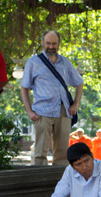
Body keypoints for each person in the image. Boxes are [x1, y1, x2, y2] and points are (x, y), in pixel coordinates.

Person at [20, 30, 83, 166]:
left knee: (62, 153)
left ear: (59, 44)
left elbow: (79, 82)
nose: (51, 46)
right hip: (42, 111)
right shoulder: (34, 62)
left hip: (63, 110)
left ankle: (59, 183)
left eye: (54, 43)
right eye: (48, 43)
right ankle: (39, 183)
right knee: (40, 153)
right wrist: (29, 111)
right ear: (43, 43)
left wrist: (75, 104)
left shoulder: (65, 62)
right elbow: (24, 87)